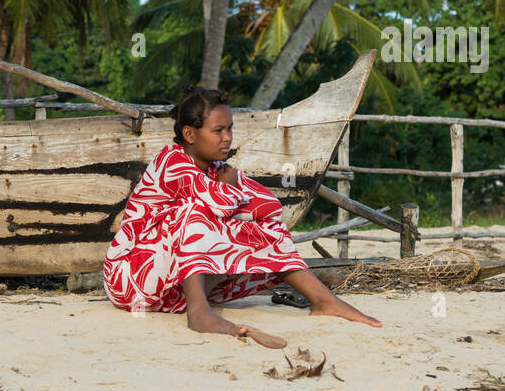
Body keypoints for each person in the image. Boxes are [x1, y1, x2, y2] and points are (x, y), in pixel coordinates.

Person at [103, 84, 381, 344]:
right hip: (130, 279)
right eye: (218, 130)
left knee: (264, 228)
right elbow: (219, 205)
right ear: (190, 134)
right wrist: (229, 191)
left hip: (168, 288)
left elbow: (270, 208)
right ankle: (198, 314)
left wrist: (230, 193)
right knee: (194, 212)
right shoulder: (172, 163)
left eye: (230, 129)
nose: (227, 138)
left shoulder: (217, 169)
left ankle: (322, 301)